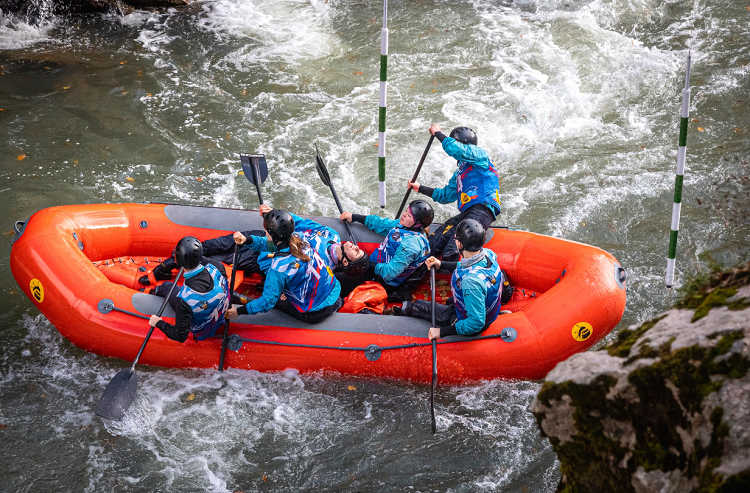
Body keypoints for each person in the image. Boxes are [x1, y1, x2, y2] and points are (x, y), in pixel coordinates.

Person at [392, 219, 511, 340]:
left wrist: (441, 332)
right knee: (450, 301)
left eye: (456, 239)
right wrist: (441, 264)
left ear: (460, 244)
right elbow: (468, 266)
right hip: (477, 305)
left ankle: (396, 310)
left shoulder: (470, 282)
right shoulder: (489, 255)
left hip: (467, 320)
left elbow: (476, 323)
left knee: (418, 306)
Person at [225, 209, 342, 324]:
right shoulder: (301, 237)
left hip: (316, 312)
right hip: (335, 295)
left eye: (266, 231)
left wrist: (238, 311)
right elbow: (271, 244)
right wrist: (247, 240)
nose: (265, 232)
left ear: (273, 236)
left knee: (274, 300)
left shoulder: (279, 268)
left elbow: (267, 302)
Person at [407, 123, 501, 262]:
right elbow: (445, 196)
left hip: (482, 210)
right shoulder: (460, 173)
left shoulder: (481, 156)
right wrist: (420, 188)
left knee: (452, 248)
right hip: (466, 213)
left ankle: (457, 280)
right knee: (433, 242)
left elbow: (455, 148)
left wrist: (438, 133)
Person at [339, 200, 433, 302]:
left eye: (409, 215)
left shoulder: (411, 245)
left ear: (418, 224)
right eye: (406, 211)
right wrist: (354, 217)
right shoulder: (403, 225)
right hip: (373, 265)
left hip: (382, 280)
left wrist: (367, 264)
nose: (404, 215)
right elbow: (381, 224)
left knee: (338, 280)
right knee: (339, 267)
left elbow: (390, 273)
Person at [148, 236, 230, 343]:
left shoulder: (184, 299)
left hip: (202, 329)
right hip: (219, 315)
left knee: (167, 286)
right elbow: (205, 261)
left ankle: (149, 292)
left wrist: (158, 322)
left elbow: (180, 336)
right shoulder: (217, 267)